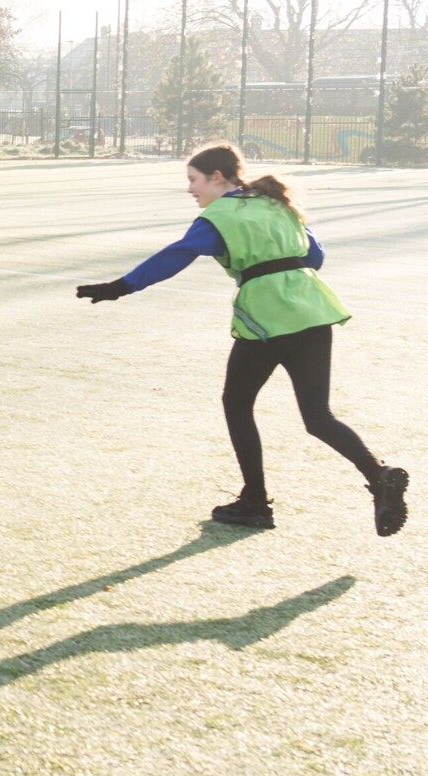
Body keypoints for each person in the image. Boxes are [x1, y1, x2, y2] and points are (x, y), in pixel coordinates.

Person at [75, 142, 408, 535]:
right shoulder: (277, 203)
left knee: (237, 403)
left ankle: (255, 502)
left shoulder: (219, 216)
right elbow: (315, 256)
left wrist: (121, 286)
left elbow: (177, 255)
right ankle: (378, 475)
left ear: (217, 177)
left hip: (268, 318)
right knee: (318, 416)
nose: (190, 189)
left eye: (194, 180)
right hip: (314, 311)